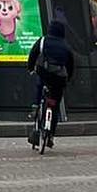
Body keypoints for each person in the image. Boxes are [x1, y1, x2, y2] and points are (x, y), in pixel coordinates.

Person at [27, 17, 75, 148]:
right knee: (54, 107)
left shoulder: (43, 40)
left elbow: (33, 54)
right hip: (59, 79)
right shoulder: (66, 46)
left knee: (39, 85)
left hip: (44, 74)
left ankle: (35, 107)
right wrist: (68, 78)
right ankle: (51, 135)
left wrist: (31, 68)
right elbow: (70, 65)